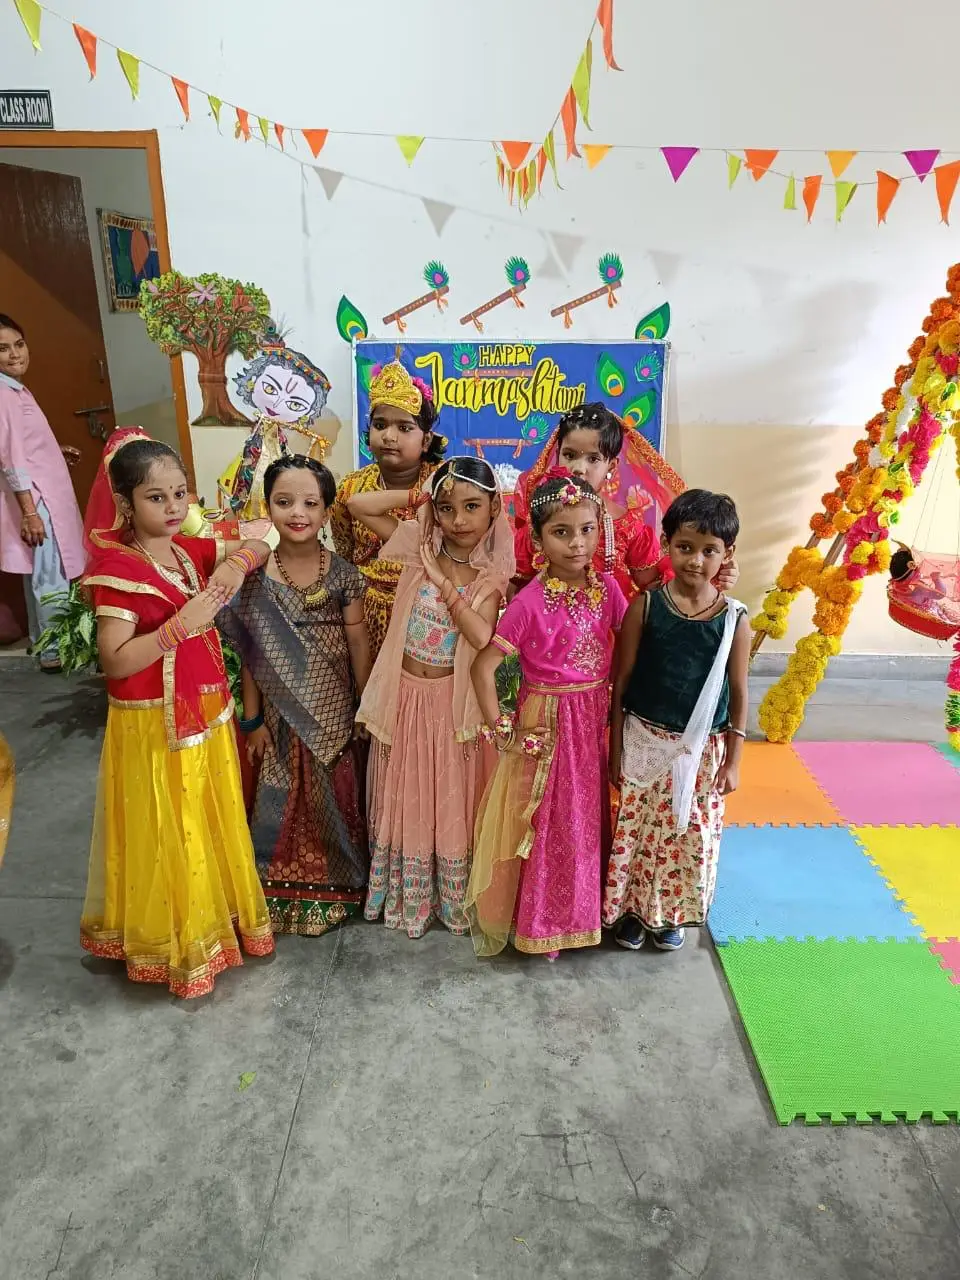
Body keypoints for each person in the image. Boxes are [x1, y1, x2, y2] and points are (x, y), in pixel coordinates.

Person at [81, 432, 275, 997]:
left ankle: (215, 923)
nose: (172, 508)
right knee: (171, 827)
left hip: (206, 712)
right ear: (125, 503)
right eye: (155, 497)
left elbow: (264, 534)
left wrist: (235, 567)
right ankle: (176, 943)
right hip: (153, 724)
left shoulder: (187, 552)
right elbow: (116, 661)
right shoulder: (119, 569)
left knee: (208, 817)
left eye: (179, 494)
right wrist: (180, 627)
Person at [465, 470, 628, 960]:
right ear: (537, 540)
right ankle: (545, 925)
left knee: (587, 818)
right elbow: (482, 667)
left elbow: (635, 640)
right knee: (551, 821)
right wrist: (504, 733)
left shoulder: (608, 590)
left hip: (594, 717)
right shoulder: (530, 601)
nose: (577, 544)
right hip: (550, 720)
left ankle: (583, 917)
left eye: (587, 530)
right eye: (561, 532)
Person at [350, 457, 514, 937]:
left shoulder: (491, 574)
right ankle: (408, 894)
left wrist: (443, 584)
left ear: (493, 509)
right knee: (408, 793)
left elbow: (481, 635)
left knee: (445, 796)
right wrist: (418, 496)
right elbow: (358, 504)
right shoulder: (419, 545)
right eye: (447, 508)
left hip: (450, 701)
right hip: (405, 696)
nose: (458, 520)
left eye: (471, 506)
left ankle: (448, 894)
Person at [217, 454, 372, 936]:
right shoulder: (255, 579)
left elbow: (358, 644)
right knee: (280, 793)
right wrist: (252, 721)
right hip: (279, 716)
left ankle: (342, 883)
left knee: (335, 795)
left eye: (310, 503)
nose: (298, 512)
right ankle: (278, 884)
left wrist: (366, 705)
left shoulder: (344, 574)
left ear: (326, 512)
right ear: (268, 506)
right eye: (284, 502)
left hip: (335, 709)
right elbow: (253, 657)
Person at [603, 489, 749, 953]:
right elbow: (621, 683)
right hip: (644, 741)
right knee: (638, 832)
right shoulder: (645, 607)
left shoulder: (734, 619)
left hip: (702, 750)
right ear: (666, 544)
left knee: (689, 834)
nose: (695, 561)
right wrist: (615, 749)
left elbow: (739, 692)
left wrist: (734, 761)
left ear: (727, 554)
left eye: (709, 551)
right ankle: (632, 912)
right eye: (685, 547)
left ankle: (669, 916)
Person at [512, 402, 740, 600]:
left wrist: (714, 573)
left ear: (611, 466)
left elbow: (654, 585)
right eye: (569, 455)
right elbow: (516, 583)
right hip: (544, 632)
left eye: (593, 459)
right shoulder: (537, 521)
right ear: (556, 455)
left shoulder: (626, 526)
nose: (579, 468)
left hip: (610, 632)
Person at [330, 357, 446, 656]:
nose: (389, 436)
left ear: (426, 440)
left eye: (404, 427)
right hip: (365, 613)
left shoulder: (444, 486)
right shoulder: (350, 488)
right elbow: (345, 552)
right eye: (380, 425)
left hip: (428, 612)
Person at [0, 314, 85, 670]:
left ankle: (44, 645)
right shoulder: (4, 394)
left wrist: (52, 450)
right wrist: (30, 512)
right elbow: (10, 458)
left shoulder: (14, 389)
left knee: (42, 572)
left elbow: (22, 446)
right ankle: (54, 653)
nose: (14, 354)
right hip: (39, 501)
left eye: (19, 344)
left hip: (42, 495)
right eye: (3, 349)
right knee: (52, 574)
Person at [217, 328, 333, 526]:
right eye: (270, 388)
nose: (277, 404)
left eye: (294, 405)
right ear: (254, 380)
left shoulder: (280, 442)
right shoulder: (257, 436)